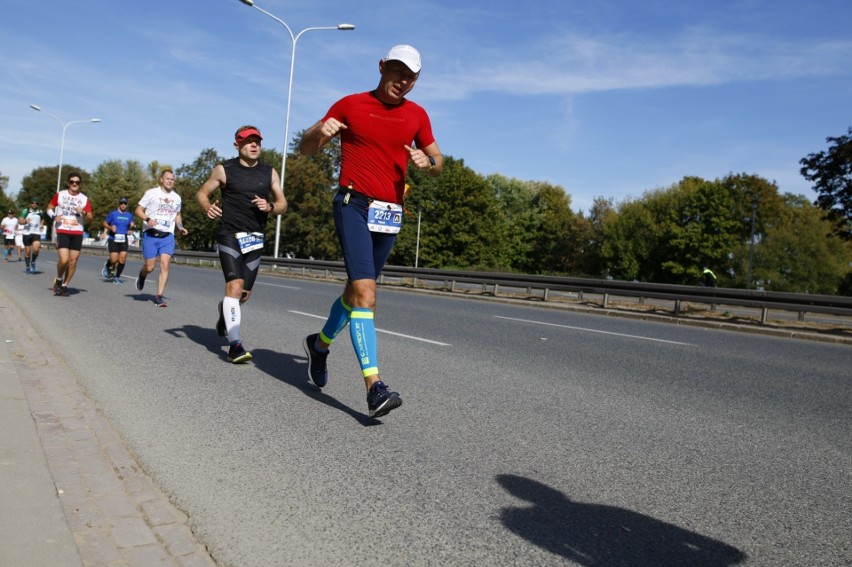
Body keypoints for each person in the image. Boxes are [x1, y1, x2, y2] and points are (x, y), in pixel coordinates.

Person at [298, 44, 443, 418]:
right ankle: (375, 387)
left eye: (410, 76)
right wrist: (320, 130)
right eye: (397, 71)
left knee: (355, 291)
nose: (402, 81)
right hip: (353, 205)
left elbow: (439, 161)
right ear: (381, 67)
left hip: (390, 213)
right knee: (367, 293)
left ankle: (320, 344)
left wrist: (429, 162)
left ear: (417, 80)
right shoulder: (350, 105)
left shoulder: (417, 115)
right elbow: (306, 149)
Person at [196, 126, 287, 364]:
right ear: (237, 145)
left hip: (255, 238)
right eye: (249, 141)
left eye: (257, 141)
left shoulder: (269, 172)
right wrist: (208, 207)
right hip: (230, 235)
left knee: (243, 294)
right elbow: (202, 194)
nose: (254, 145)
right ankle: (235, 346)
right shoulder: (224, 170)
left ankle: (224, 312)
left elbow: (282, 204)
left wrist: (270, 207)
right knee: (234, 286)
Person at [135, 170, 189, 307]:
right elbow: (138, 210)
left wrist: (180, 227)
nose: (170, 181)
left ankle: (158, 296)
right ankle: (142, 274)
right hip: (151, 234)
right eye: (167, 179)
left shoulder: (177, 198)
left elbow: (177, 215)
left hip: (167, 236)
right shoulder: (151, 193)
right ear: (161, 180)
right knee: (150, 267)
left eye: (172, 179)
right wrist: (147, 219)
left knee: (165, 264)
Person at [46, 172, 93, 296]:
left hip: (77, 232)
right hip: (62, 230)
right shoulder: (60, 195)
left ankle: (65, 285)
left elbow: (90, 218)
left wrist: (82, 211)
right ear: (68, 183)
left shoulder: (84, 198)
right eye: (72, 182)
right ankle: (59, 278)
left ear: (80, 184)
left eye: (77, 182)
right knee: (64, 259)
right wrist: (54, 216)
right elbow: (48, 208)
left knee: (73, 262)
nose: (74, 184)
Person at [102, 197, 136, 284]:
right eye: (121, 203)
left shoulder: (129, 215)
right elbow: (105, 223)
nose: (123, 205)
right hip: (113, 238)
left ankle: (117, 277)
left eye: (125, 203)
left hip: (123, 238)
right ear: (119, 204)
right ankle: (108, 265)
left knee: (123, 259)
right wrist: (110, 227)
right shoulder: (113, 214)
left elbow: (132, 226)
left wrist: (131, 229)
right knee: (114, 260)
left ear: (127, 205)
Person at [19, 198, 45, 274]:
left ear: (38, 204)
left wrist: (41, 224)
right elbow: (20, 221)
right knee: (27, 251)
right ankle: (27, 267)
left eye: (36, 203)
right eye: (33, 203)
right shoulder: (25, 211)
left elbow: (43, 219)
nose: (34, 204)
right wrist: (25, 221)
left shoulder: (40, 212)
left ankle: (33, 262)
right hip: (26, 233)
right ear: (30, 203)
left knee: (36, 249)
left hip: (36, 232)